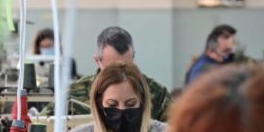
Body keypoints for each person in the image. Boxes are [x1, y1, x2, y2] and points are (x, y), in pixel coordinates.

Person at [42, 26, 171, 122]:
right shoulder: (73, 95)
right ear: (97, 61)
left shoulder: (156, 94)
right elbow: (41, 125)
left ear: (133, 57)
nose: (121, 73)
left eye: (127, 66)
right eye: (112, 69)